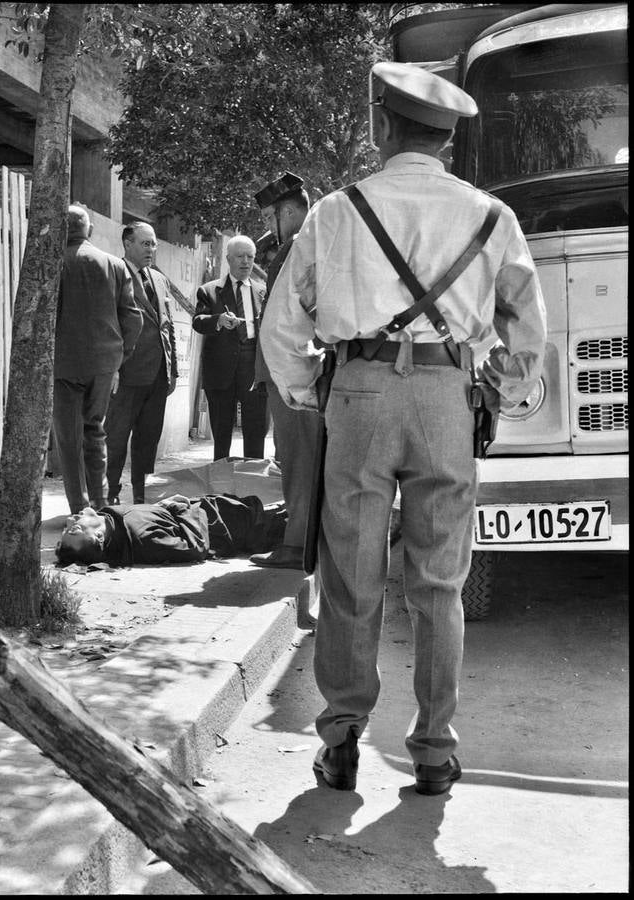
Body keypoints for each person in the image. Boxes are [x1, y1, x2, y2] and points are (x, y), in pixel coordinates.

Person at [261, 61, 547, 796]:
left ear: (381, 125)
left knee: (351, 576)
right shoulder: (491, 216)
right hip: (449, 396)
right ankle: (433, 752)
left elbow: (284, 322)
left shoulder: (336, 209)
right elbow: (526, 327)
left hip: (356, 392)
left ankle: (344, 738)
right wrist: (501, 390)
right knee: (440, 584)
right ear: (448, 139)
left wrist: (304, 392)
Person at [249, 172, 319, 570]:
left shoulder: (297, 247)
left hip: (291, 368)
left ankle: (296, 545)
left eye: (269, 218)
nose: (267, 228)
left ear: (289, 211)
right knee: (300, 457)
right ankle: (303, 540)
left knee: (297, 459)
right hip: (299, 367)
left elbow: (284, 318)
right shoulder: (307, 243)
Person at [53, 204, 142, 514]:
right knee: (95, 430)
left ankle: (78, 507)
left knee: (69, 438)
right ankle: (101, 503)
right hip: (104, 363)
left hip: (63, 364)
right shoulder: (116, 265)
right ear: (89, 229)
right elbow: (133, 320)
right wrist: (119, 357)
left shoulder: (53, 263)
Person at [105, 222, 178, 505]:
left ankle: (142, 497)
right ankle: (109, 495)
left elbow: (167, 326)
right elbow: (108, 325)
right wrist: (112, 369)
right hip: (126, 374)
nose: (151, 249)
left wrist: (172, 371)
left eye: (154, 244)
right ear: (127, 243)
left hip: (157, 376)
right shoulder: (114, 274)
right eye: (145, 244)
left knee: (148, 440)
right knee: (116, 439)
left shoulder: (159, 279)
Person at [55, 493, 287, 567]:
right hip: (238, 524)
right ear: (98, 536)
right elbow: (194, 548)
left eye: (67, 527)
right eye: (75, 529)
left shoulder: (114, 520)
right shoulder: (141, 538)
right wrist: (178, 506)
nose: (69, 519)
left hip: (227, 509)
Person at [192, 235, 268, 460]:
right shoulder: (209, 290)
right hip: (221, 370)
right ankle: (220, 482)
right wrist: (218, 320)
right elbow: (198, 321)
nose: (245, 262)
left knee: (255, 431)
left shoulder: (262, 291)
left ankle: (253, 481)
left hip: (254, 368)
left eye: (250, 257)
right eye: (240, 256)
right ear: (228, 259)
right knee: (222, 433)